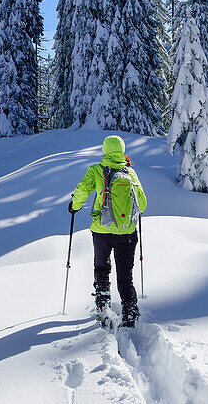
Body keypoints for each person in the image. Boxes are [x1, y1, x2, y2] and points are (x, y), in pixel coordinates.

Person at [68, 135, 147, 327]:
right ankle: (129, 311)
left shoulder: (96, 170)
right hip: (127, 232)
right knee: (125, 274)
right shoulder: (130, 173)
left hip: (101, 230)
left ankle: (102, 302)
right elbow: (142, 204)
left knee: (101, 267)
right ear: (122, 150)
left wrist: (74, 206)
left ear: (104, 151)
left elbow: (82, 190)